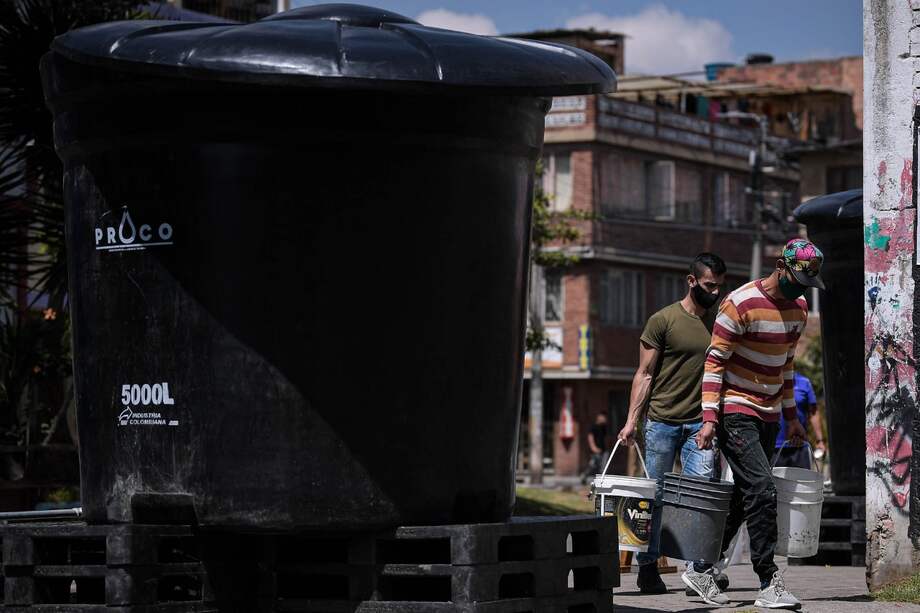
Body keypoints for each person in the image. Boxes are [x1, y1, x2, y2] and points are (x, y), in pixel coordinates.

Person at [694, 238, 825, 609]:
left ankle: (702, 568)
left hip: (769, 413)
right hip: (735, 410)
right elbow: (714, 363)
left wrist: (792, 418)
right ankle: (768, 581)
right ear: (780, 267)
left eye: (808, 284)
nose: (801, 289)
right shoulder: (738, 304)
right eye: (798, 280)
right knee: (764, 490)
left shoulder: (799, 308)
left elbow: (786, 366)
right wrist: (709, 418)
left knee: (745, 495)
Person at [617, 252, 726, 596]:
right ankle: (648, 568)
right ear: (691, 281)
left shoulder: (718, 325)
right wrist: (631, 421)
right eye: (709, 285)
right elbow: (645, 374)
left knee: (698, 498)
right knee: (655, 498)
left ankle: (697, 572)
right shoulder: (663, 320)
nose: (714, 292)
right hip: (662, 422)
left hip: (700, 425)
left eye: (719, 287)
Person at [773, 371, 824, 469]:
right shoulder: (769, 382)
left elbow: (813, 412)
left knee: (804, 478)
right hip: (774, 447)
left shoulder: (804, 382)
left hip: (799, 445)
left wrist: (820, 440)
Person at [581, 412, 609, 484]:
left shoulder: (603, 428)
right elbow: (590, 438)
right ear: (599, 417)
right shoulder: (593, 427)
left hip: (603, 451)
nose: (605, 419)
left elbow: (605, 438)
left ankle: (601, 482)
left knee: (603, 467)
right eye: (604, 417)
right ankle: (584, 476)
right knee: (592, 466)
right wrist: (593, 448)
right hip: (595, 451)